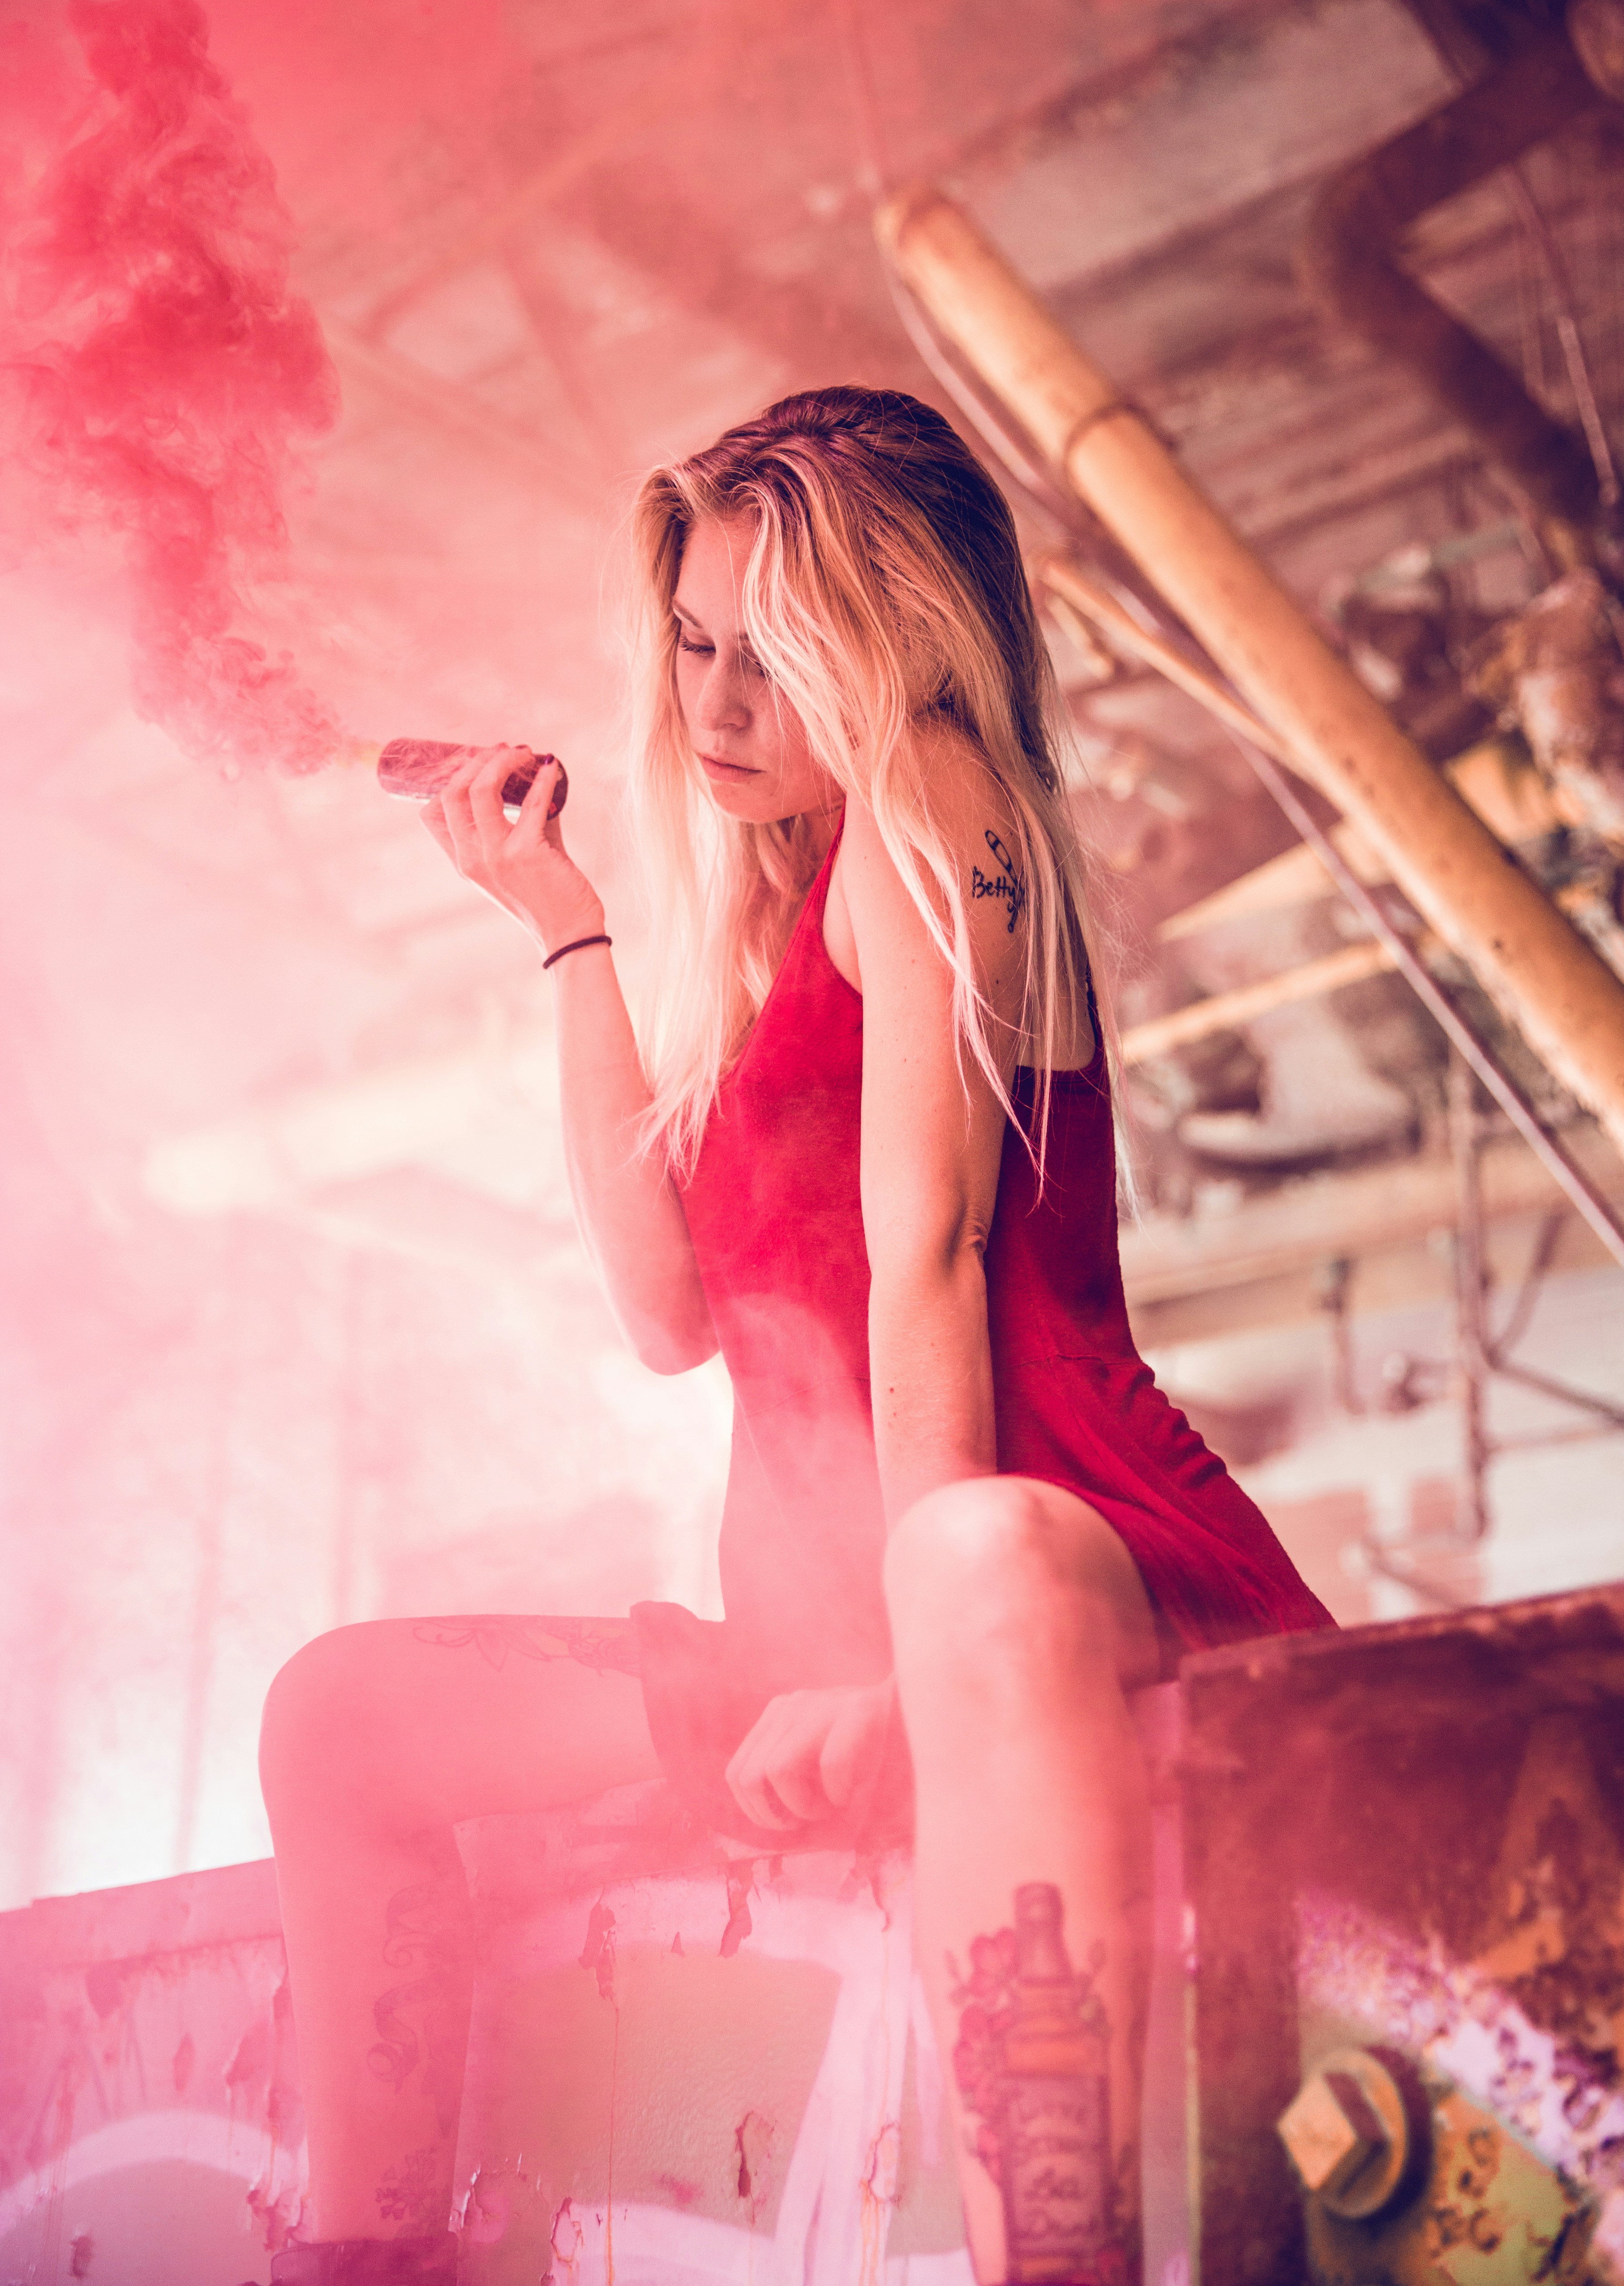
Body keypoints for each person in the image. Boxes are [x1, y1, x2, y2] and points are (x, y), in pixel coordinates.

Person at [259, 386, 1332, 2286]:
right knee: (336, 1720)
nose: (716, 708)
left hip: (1041, 1560)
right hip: (821, 1621)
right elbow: (670, 1315)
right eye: (692, 645)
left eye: (777, 656)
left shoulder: (936, 795)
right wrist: (565, 928)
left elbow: (926, 1255)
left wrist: (894, 1651)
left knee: (975, 1557)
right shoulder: (782, 907)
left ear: (902, 646)